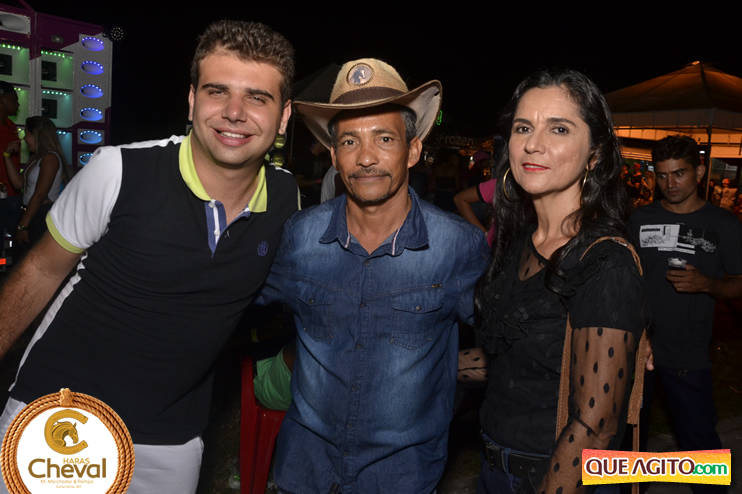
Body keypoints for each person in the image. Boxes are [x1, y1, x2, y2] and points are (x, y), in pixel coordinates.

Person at [0, 20, 298, 494]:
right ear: (192, 101)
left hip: (171, 439)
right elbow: (39, 271)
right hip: (62, 412)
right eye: (217, 91)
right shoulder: (120, 171)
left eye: (257, 98)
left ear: (283, 118)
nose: (234, 112)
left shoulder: (286, 199)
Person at [259, 58, 489, 494]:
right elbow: (233, 303)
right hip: (307, 468)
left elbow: (507, 339)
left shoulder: (457, 246)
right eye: (350, 141)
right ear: (333, 156)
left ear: (413, 150)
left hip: (403, 475)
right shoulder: (300, 236)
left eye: (384, 138)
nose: (366, 157)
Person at [474, 69, 645, 494]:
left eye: (559, 129)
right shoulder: (518, 242)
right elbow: (511, 359)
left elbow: (596, 428)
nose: (533, 144)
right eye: (523, 128)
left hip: (555, 476)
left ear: (595, 155)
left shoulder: (604, 261)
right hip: (494, 468)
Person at [632, 135, 742, 494]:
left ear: (700, 171)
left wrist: (708, 284)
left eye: (679, 173)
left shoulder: (724, 223)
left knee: (699, 438)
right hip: (638, 349)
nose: (670, 184)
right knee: (628, 437)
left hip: (688, 352)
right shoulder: (639, 218)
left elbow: (739, 282)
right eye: (662, 175)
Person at [2, 116, 69, 245]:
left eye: (27, 134)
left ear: (37, 136)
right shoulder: (36, 157)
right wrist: (6, 157)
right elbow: (18, 183)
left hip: (40, 214)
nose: (24, 139)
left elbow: (39, 194)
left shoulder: (50, 158)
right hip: (29, 213)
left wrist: (23, 226)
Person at [0, 81, 21, 237]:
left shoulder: (12, 126)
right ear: (2, 101)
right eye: (14, 100)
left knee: (19, 242)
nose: (18, 104)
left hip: (14, 194)